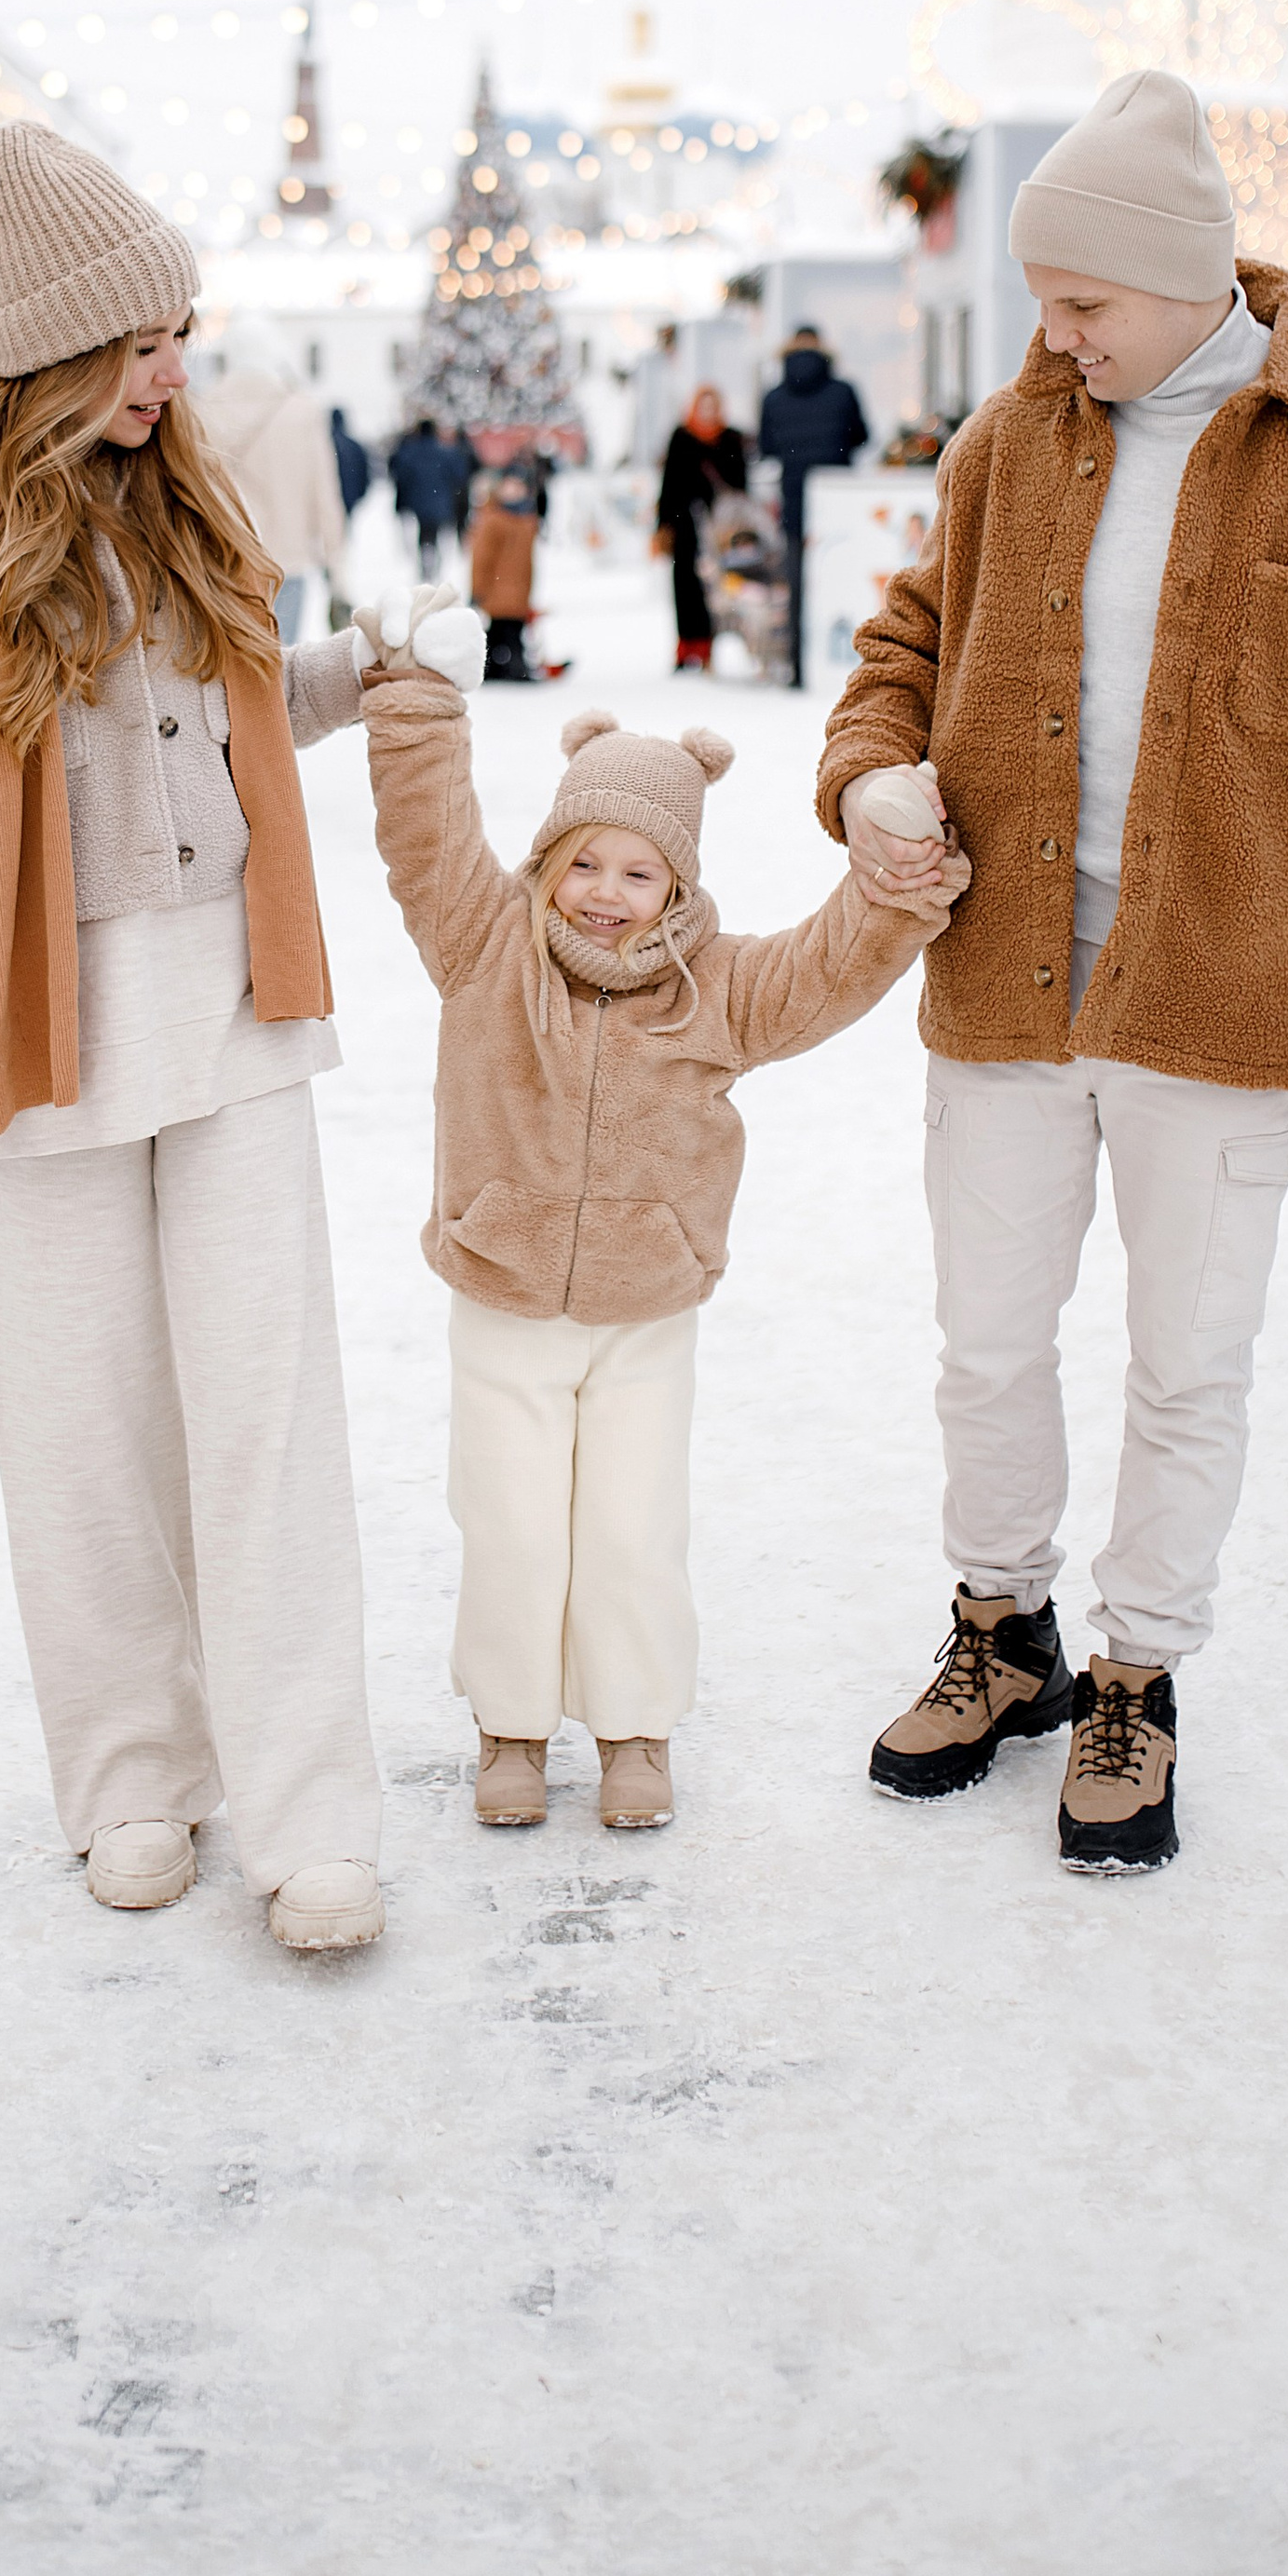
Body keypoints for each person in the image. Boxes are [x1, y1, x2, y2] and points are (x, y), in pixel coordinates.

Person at [0, 122, 462, 1955]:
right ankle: (132, 1778)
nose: (177, 370)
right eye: (145, 341)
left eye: (183, 332)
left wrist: (375, 662)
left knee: (262, 1414)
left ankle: (311, 1809)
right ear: (58, 348)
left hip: (230, 1012)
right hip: (45, 1030)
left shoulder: (197, 490)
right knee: (80, 1428)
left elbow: (241, 715)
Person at [822, 69, 1288, 1874]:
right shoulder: (1001, 444)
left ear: (1189, 274)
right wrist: (866, 775)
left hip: (1219, 1003)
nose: (1053, 334)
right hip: (1001, 988)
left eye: (1083, 303)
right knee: (984, 1347)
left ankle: (1137, 1674)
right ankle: (1000, 1630)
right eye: (1042, 302)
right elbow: (898, 645)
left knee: (1184, 1366)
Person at [360, 653, 962, 1835]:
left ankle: (636, 1729)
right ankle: (511, 1728)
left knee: (633, 1526)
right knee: (513, 1523)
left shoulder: (718, 989)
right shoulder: (486, 948)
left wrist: (894, 882)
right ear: (545, 861)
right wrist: (418, 706)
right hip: (502, 1291)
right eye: (581, 860)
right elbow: (426, 836)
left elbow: (833, 965)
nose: (604, 891)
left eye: (639, 871)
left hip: (646, 1306)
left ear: (678, 881)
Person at [197, 315, 349, 644]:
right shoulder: (302, 411)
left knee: (233, 675)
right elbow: (325, 496)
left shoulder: (204, 409)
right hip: (287, 563)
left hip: (226, 562)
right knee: (279, 663)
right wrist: (337, 573)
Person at [757, 330, 869, 689]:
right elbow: (862, 436)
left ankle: (798, 666)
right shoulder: (844, 391)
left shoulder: (773, 397)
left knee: (797, 587)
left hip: (795, 499)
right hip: (838, 502)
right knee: (842, 579)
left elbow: (767, 447)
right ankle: (844, 663)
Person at [653, 383, 749, 671]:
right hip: (684, 524)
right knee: (684, 585)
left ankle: (708, 647)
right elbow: (669, 483)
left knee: (715, 588)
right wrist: (663, 524)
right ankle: (686, 648)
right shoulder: (681, 436)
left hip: (720, 527)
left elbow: (739, 482)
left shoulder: (731, 438)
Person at [469, 456, 543, 681]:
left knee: (506, 633)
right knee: (504, 634)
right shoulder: (493, 518)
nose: (514, 491)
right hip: (497, 589)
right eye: (509, 486)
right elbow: (482, 557)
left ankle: (498, 668)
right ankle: (510, 668)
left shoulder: (527, 519)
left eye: (519, 487)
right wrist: (478, 588)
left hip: (519, 589)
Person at [390, 415, 475, 576]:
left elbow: (399, 472)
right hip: (441, 500)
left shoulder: (410, 451)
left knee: (423, 530)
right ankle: (433, 558)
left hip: (418, 501)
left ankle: (426, 557)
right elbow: (460, 474)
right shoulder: (446, 451)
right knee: (435, 530)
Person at [328, 401, 373, 520]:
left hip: (330, 496)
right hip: (349, 496)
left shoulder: (325, 444)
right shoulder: (354, 446)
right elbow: (364, 470)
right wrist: (360, 493)